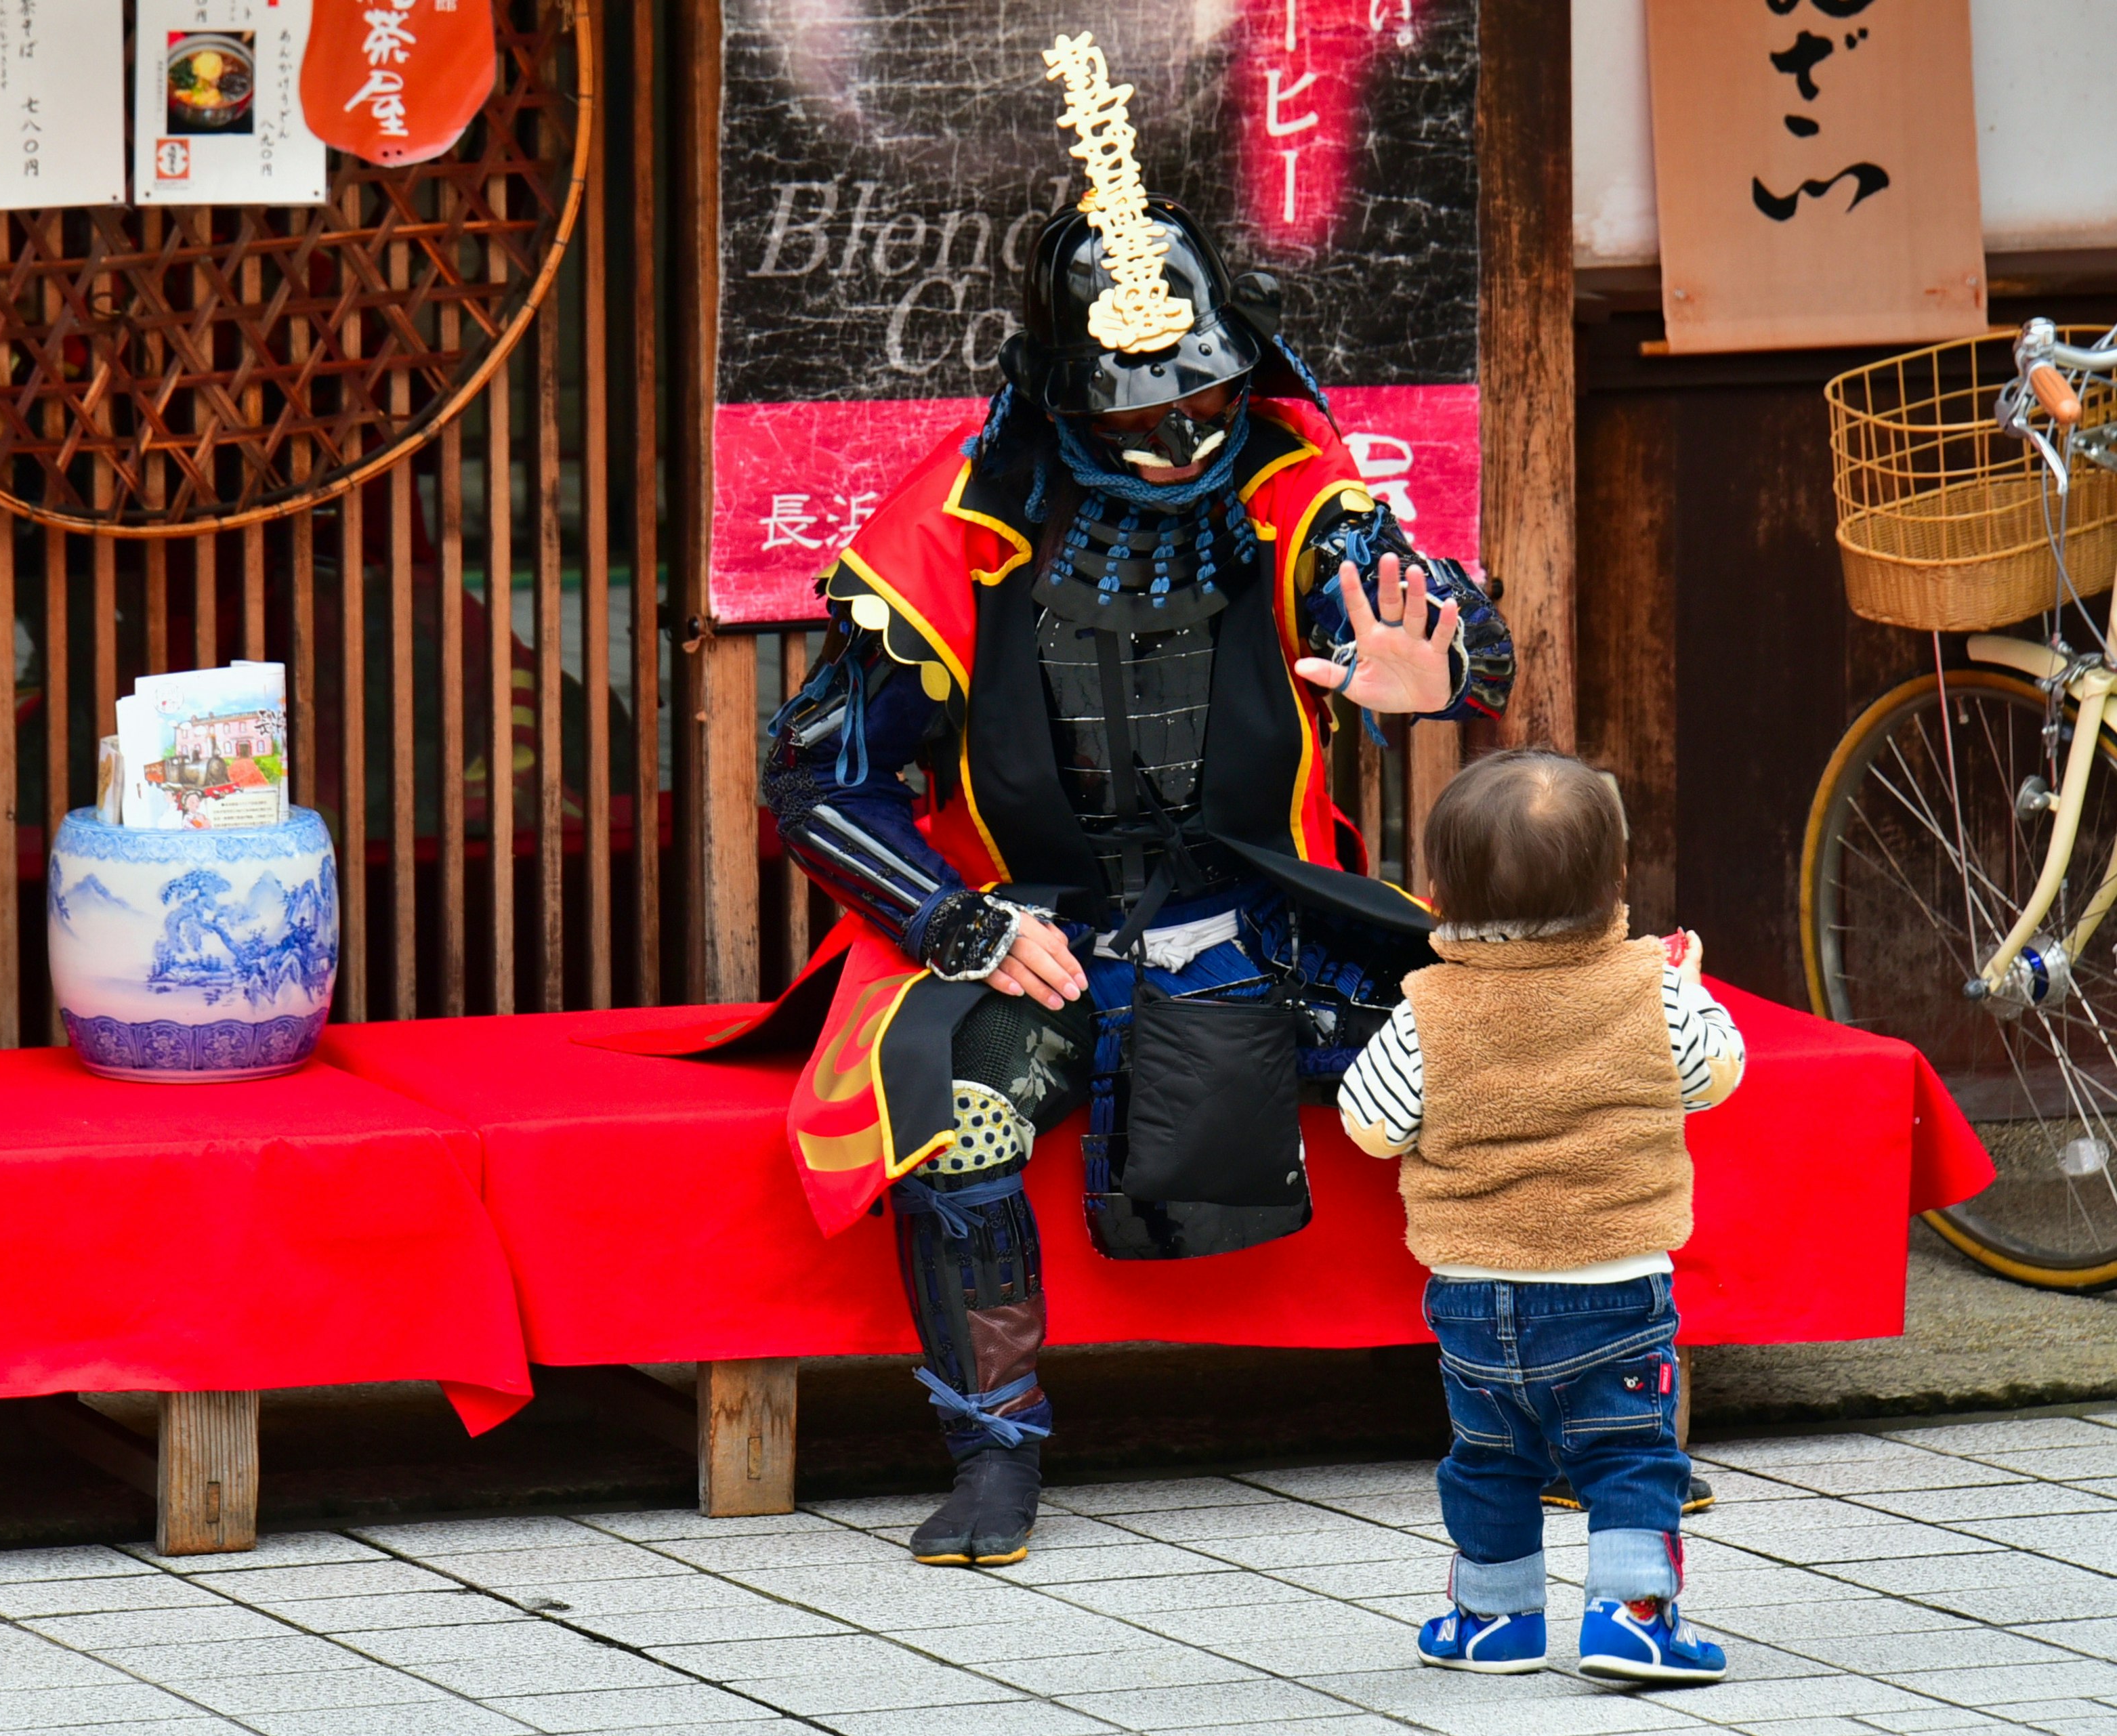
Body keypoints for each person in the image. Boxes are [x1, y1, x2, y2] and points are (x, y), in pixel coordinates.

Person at [665, 92, 1516, 1568]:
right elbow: (813, 781)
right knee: (962, 1124)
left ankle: (1559, 1415)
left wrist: (1450, 671)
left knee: (1510, 1053)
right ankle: (994, 1450)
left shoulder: (1301, 488)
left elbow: (1463, 636)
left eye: (1203, 398)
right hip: (1042, 931)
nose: (1183, 435)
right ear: (1059, 392)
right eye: (1139, 409)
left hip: (1273, 915)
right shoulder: (955, 523)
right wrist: (960, 923)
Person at [1336, 750, 1744, 1684]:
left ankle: (1494, 1621)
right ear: (1617, 883)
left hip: (1475, 1299)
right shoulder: (1654, 990)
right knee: (1632, 1457)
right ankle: (1635, 1618)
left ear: (1438, 893)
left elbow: (1368, 1123)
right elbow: (1719, 1075)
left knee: (1487, 1460)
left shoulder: (1426, 1013)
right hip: (1616, 1291)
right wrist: (1693, 986)